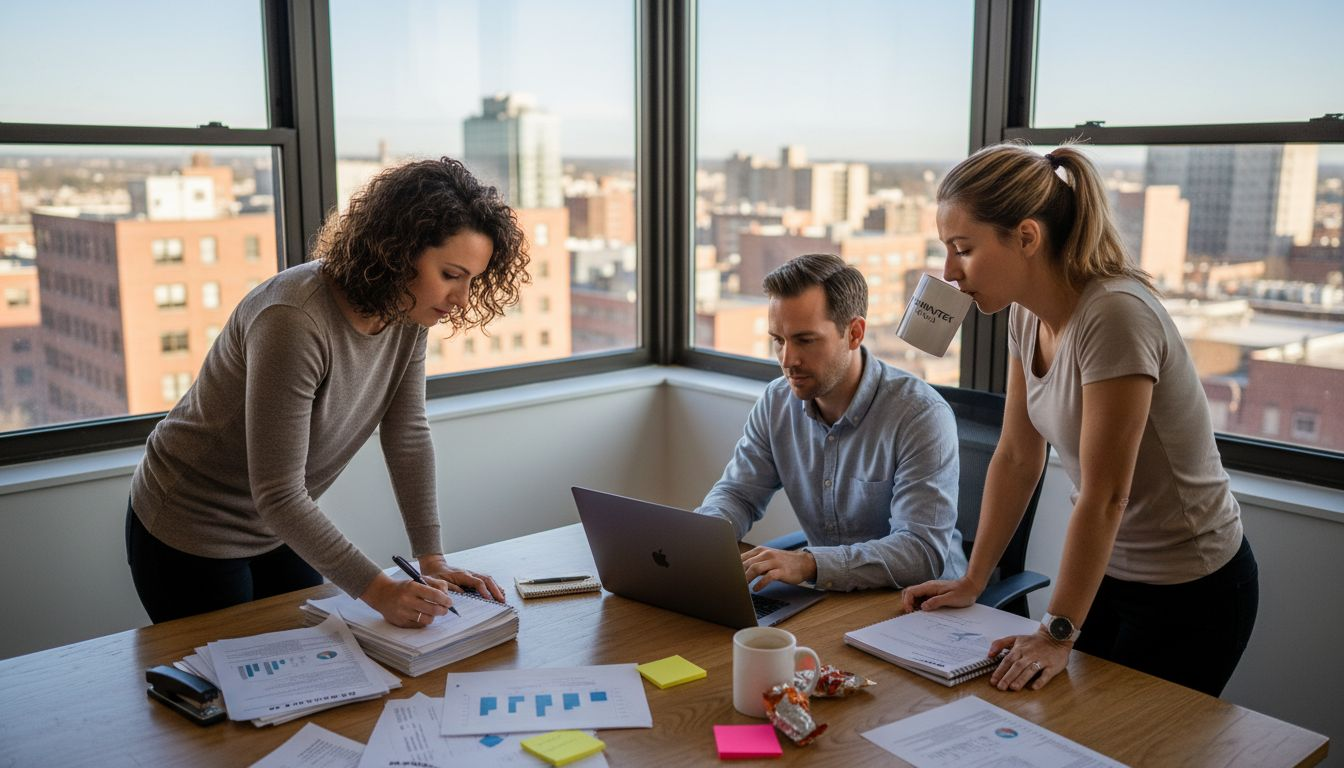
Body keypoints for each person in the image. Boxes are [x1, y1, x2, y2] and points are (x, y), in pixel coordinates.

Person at [902, 142, 1258, 697]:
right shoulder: (1025, 315)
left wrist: (1057, 630)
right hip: (1111, 575)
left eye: (963, 249)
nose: (949, 272)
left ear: (1026, 236)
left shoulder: (1115, 314)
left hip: (1192, 587)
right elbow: (1019, 455)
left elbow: (1106, 495)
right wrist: (975, 579)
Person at [126, 157, 529, 627]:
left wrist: (431, 558)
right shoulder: (293, 320)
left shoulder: (407, 311)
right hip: (190, 529)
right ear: (399, 252)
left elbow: (407, 434)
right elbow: (278, 493)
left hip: (272, 529)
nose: (461, 299)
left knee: (319, 658)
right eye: (451, 275)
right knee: (241, 689)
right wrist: (379, 591)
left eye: (472, 281)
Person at [695, 253, 966, 593]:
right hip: (835, 596)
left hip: (922, 607)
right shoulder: (777, 402)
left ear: (854, 333)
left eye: (805, 340)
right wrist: (699, 538)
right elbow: (738, 494)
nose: (787, 360)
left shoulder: (919, 414)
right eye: (778, 340)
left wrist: (809, 563)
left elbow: (920, 552)